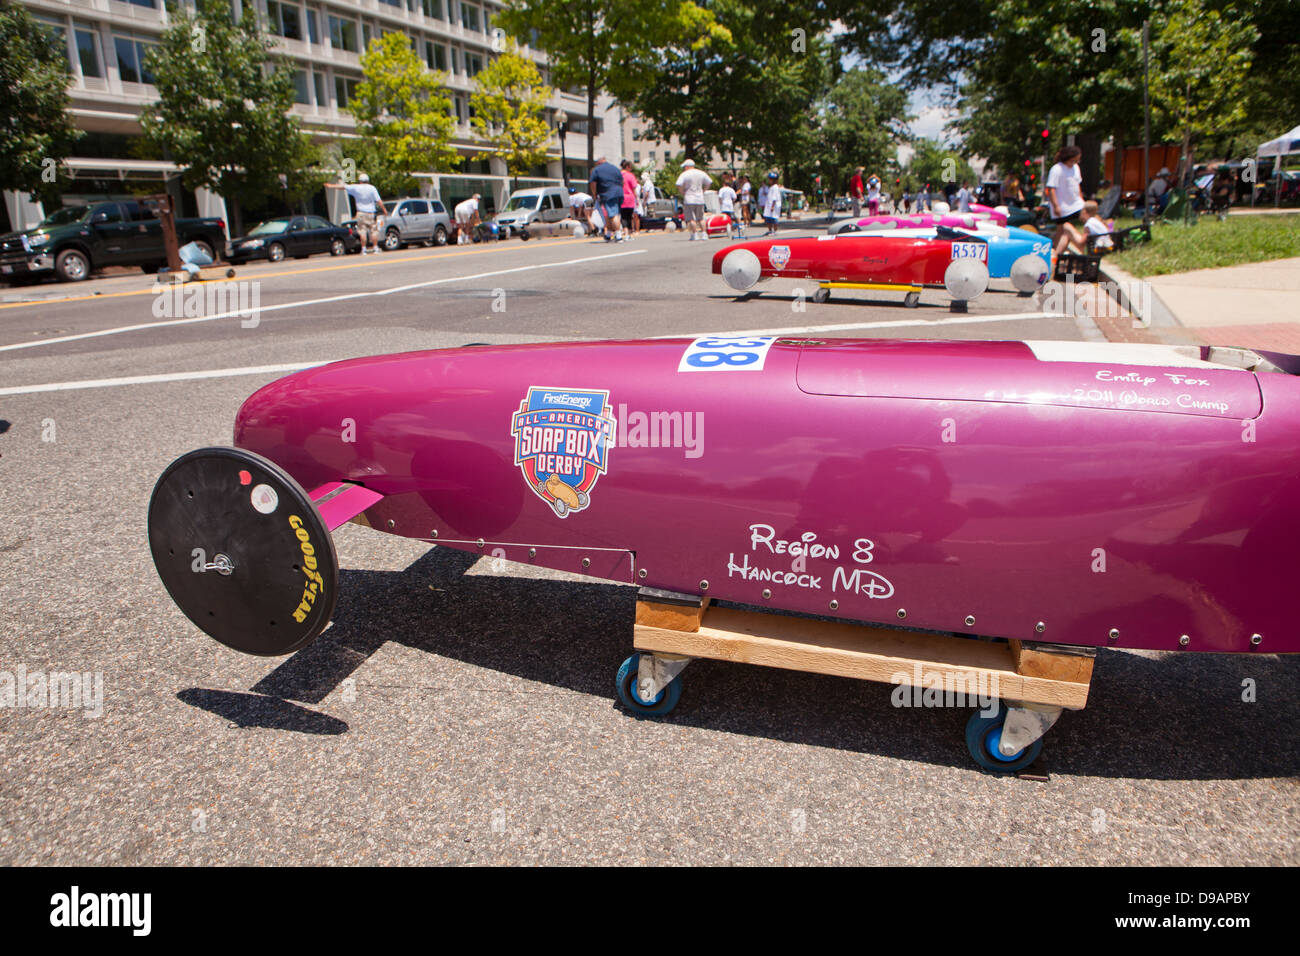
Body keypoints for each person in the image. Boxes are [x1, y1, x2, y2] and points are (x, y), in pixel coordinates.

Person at [326, 172, 384, 254]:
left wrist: (331, 186)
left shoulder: (356, 187)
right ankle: (375, 248)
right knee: (374, 231)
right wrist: (384, 210)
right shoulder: (372, 188)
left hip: (361, 213)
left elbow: (343, 187)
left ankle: (363, 249)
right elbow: (379, 201)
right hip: (371, 213)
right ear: (368, 181)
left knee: (362, 231)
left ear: (360, 181)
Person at [1044, 145, 1085, 262]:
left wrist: (1082, 201)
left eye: (1077, 160)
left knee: (1071, 228)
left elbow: (1077, 185)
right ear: (1067, 158)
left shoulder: (1076, 168)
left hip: (1076, 203)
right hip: (1062, 206)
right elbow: (1051, 189)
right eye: (1073, 160)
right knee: (1061, 230)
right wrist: (1056, 205)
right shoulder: (1057, 169)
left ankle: (1058, 254)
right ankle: (1056, 253)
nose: (1075, 162)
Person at [588, 155, 626, 242]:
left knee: (613, 215)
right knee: (609, 215)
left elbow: (592, 183)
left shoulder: (597, 169)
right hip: (619, 193)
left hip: (607, 194)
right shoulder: (615, 168)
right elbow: (622, 181)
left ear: (598, 162)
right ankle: (608, 234)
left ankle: (618, 235)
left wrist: (595, 194)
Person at [675, 158, 713, 241]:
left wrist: (682, 192)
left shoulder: (685, 174)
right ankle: (704, 234)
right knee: (701, 218)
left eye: (685, 166)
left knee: (691, 218)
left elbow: (678, 184)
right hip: (699, 198)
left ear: (687, 167)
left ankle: (695, 234)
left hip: (689, 198)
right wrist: (704, 190)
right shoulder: (701, 173)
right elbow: (709, 182)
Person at [718, 172, 742, 239]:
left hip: (727, 204)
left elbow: (739, 191)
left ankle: (738, 226)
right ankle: (732, 227)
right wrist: (732, 201)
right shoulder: (731, 189)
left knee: (733, 215)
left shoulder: (735, 182)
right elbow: (734, 197)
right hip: (731, 204)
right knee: (731, 216)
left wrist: (720, 202)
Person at [620, 160, 639, 238]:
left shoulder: (619, 175)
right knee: (629, 216)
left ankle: (626, 232)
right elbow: (634, 188)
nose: (631, 169)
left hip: (621, 197)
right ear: (627, 167)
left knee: (623, 216)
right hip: (630, 197)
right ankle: (630, 233)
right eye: (630, 167)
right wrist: (636, 199)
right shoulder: (630, 175)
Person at [762, 171, 782, 235]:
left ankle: (775, 230)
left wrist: (772, 206)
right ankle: (770, 230)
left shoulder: (775, 187)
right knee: (768, 218)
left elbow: (774, 198)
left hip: (773, 206)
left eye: (770, 179)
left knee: (774, 218)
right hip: (769, 205)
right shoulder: (771, 187)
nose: (769, 180)